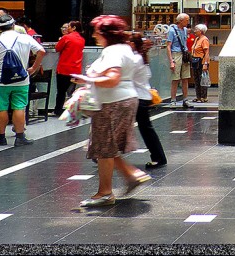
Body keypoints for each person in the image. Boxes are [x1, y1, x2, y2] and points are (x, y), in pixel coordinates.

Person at [70, 15, 152, 208]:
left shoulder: (113, 52)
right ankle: (131, 175)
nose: (94, 35)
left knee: (104, 148)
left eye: (96, 31)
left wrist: (86, 79)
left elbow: (113, 79)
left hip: (112, 102)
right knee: (106, 146)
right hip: (123, 99)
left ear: (105, 33)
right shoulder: (124, 49)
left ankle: (105, 193)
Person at [0, 14, 45, 146]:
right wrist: (33, 67)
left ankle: (1, 137)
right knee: (19, 107)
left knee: (1, 108)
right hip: (22, 78)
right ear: (13, 25)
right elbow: (41, 51)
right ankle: (20, 137)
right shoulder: (25, 38)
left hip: (1, 80)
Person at [129, 32, 167, 170]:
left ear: (132, 44)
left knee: (142, 129)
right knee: (146, 129)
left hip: (137, 99)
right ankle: (159, 157)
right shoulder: (142, 58)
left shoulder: (135, 59)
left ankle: (159, 157)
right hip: (142, 98)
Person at [53, 20, 86, 116]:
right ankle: (74, 110)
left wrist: (60, 40)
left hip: (64, 68)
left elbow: (57, 48)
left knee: (61, 92)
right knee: (73, 91)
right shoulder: (82, 39)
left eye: (69, 27)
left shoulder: (66, 38)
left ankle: (58, 110)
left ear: (74, 28)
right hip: (76, 69)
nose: (67, 28)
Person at [166, 13, 192, 107]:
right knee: (175, 79)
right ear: (181, 20)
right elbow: (168, 46)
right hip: (176, 54)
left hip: (184, 54)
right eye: (186, 20)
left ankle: (185, 100)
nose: (188, 22)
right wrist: (171, 61)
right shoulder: (172, 31)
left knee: (185, 78)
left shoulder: (185, 30)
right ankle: (173, 100)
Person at [189, 24, 211, 103]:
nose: (194, 31)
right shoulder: (197, 39)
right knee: (196, 79)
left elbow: (207, 52)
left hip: (202, 62)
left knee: (202, 79)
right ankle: (198, 96)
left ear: (201, 31)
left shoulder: (204, 39)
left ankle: (203, 97)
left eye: (196, 29)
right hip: (195, 61)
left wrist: (205, 63)